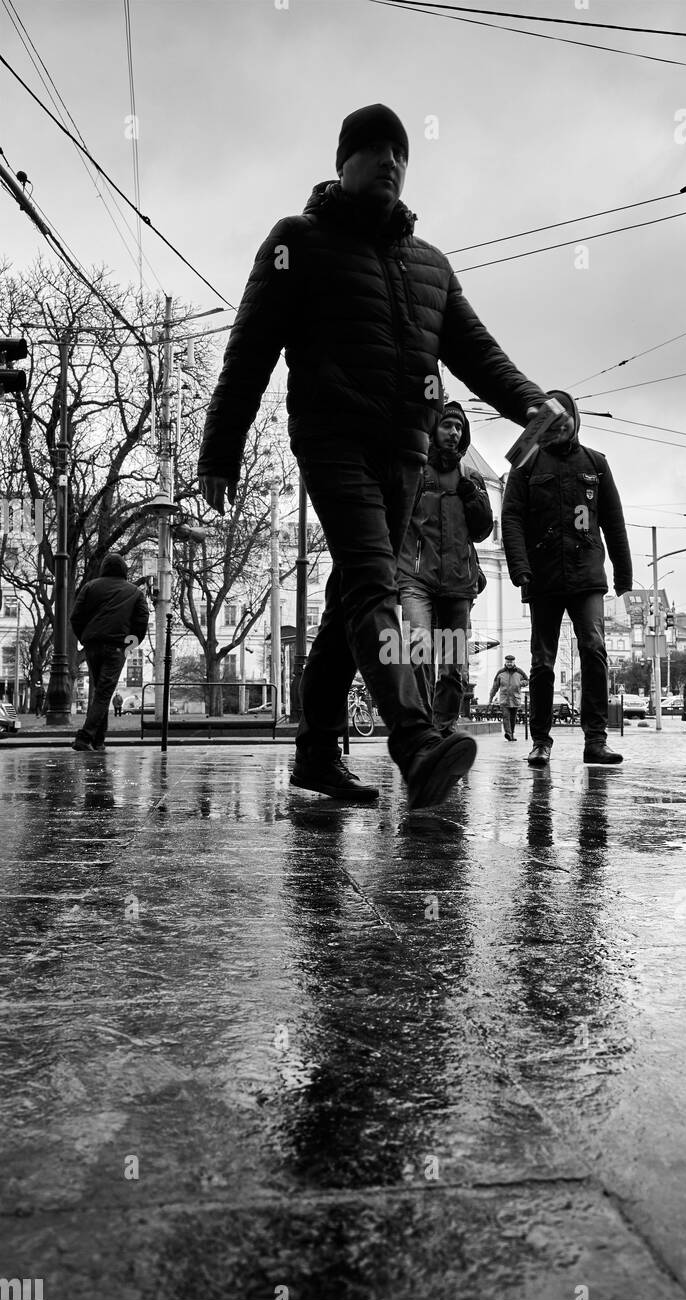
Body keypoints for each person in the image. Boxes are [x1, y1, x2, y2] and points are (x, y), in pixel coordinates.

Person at [197, 104, 561, 808]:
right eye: (372, 149)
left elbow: (479, 353)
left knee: (348, 602)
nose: (389, 161)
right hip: (333, 439)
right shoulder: (297, 241)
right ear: (343, 162)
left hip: (406, 452)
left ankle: (314, 757)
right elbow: (249, 351)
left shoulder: (430, 265)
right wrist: (221, 448)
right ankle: (416, 741)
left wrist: (531, 403)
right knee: (374, 584)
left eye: (399, 151)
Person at [501, 390, 633, 767]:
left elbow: (614, 521)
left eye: (565, 419)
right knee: (542, 662)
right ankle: (540, 741)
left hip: (587, 575)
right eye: (552, 420)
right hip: (541, 576)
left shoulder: (596, 462)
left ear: (575, 419)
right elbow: (511, 517)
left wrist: (624, 578)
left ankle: (596, 740)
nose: (560, 427)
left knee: (594, 650)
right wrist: (519, 566)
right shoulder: (526, 463)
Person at [397, 401, 492, 737]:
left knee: (453, 668)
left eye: (459, 428)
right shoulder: (416, 471)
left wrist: (474, 498)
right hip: (416, 577)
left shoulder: (471, 476)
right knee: (418, 649)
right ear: (434, 430)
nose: (454, 433)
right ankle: (422, 728)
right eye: (447, 426)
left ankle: (443, 727)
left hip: (457, 583)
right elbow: (397, 519)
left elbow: (482, 531)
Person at [69, 553, 149, 752]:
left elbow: (76, 617)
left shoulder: (90, 587)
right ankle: (85, 736)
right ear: (124, 570)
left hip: (92, 645)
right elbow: (141, 624)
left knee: (100, 691)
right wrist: (129, 645)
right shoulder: (135, 593)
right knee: (104, 691)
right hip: (116, 646)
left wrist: (85, 639)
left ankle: (99, 740)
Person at [489, 655, 527, 740]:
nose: (509, 664)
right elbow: (495, 687)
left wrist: (520, 683)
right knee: (506, 717)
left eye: (511, 662)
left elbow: (527, 680)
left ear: (514, 662)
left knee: (513, 718)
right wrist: (490, 698)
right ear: (505, 662)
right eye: (507, 662)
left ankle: (512, 734)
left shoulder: (519, 672)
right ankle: (508, 733)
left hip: (515, 699)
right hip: (504, 699)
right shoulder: (500, 673)